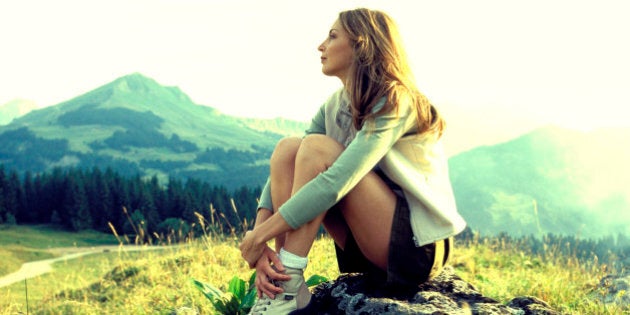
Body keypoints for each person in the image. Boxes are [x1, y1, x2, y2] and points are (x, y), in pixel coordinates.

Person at [239, 7, 466, 315]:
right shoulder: (334, 104)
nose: (321, 46)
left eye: (332, 37)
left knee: (316, 149)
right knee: (289, 148)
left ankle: (287, 282)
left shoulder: (396, 99)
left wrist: (259, 236)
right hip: (365, 243)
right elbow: (285, 169)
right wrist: (259, 240)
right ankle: (281, 282)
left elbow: (336, 182)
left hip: (415, 249)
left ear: (362, 45)